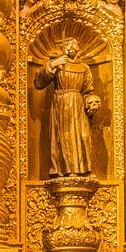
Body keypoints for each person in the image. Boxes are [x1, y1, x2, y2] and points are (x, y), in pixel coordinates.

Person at [42, 41, 99, 178]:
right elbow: (39, 83)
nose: (72, 46)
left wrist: (91, 102)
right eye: (68, 44)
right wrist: (52, 65)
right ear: (63, 47)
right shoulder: (58, 64)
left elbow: (88, 90)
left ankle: (84, 169)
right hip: (61, 102)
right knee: (65, 137)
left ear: (78, 48)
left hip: (78, 104)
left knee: (83, 136)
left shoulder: (84, 67)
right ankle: (67, 170)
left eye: (74, 44)